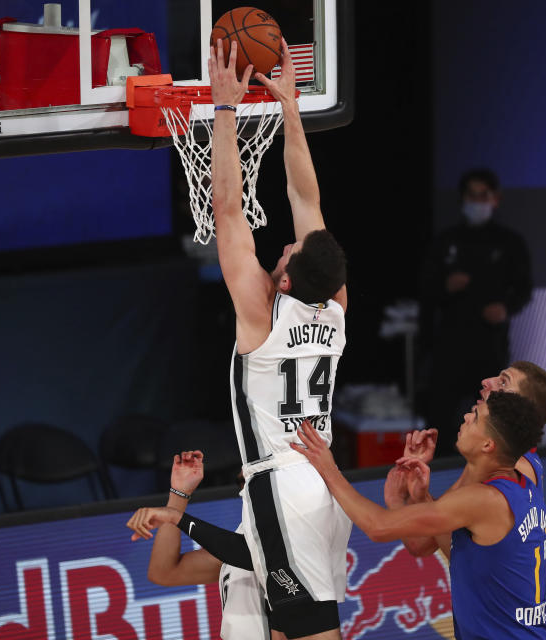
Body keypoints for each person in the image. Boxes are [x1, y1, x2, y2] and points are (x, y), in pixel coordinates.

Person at [201, 37, 351, 639]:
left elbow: (229, 211)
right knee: (299, 627)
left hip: (282, 485)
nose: (285, 242)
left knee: (312, 633)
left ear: (286, 275)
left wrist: (225, 110)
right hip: (325, 482)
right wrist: (289, 108)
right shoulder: (335, 307)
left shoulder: (261, 312)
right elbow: (305, 199)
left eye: (285, 249)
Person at [292, 391, 546, 639]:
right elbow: (458, 555)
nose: (466, 416)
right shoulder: (520, 486)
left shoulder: (485, 500)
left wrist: (328, 468)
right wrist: (410, 498)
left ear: (488, 444)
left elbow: (377, 527)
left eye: (476, 417)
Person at [389, 361, 546, 557]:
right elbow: (423, 540)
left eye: (503, 383)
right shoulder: (516, 459)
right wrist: (412, 494)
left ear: (519, 407)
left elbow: (436, 548)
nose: (487, 382)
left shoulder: (505, 469)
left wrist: (400, 499)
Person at [420, 169, 533, 457]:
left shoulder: (509, 243)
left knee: (492, 420)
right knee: (441, 420)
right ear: (463, 198)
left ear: (495, 199)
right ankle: (437, 480)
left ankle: (490, 482)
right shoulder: (447, 241)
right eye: (472, 195)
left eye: (484, 195)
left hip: (490, 346)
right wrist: (446, 286)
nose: (478, 201)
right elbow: (426, 290)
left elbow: (524, 288)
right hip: (450, 345)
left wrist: (505, 308)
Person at [127, 450, 285, 640]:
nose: (244, 490)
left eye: (252, 479)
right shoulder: (241, 537)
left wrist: (174, 516)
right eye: (241, 482)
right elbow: (164, 572)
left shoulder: (289, 533)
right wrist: (179, 494)